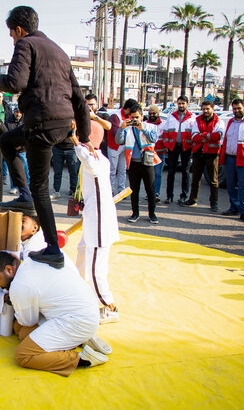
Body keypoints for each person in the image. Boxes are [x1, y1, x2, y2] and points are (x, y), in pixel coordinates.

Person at [0, 5, 92, 268]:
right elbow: (79, 98)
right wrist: (84, 134)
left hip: (42, 124)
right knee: (7, 141)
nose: (12, 39)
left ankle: (53, 249)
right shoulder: (58, 51)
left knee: (41, 189)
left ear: (19, 30)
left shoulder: (25, 44)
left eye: (11, 34)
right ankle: (24, 194)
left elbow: (15, 82)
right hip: (60, 123)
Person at [0, 252, 111, 376]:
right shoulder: (31, 261)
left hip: (77, 321)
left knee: (24, 355)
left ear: (9, 269)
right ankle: (81, 340)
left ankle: (82, 359)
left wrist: (17, 303)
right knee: (21, 331)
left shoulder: (18, 285)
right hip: (87, 311)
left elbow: (27, 322)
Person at [72, 127, 120, 324]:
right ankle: (80, 297)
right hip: (93, 218)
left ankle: (110, 307)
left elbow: (86, 159)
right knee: (83, 253)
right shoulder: (99, 158)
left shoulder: (96, 161)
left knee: (95, 268)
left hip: (100, 223)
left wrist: (74, 139)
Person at [116, 105, 161, 223]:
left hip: (147, 162)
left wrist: (142, 129)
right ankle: (135, 213)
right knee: (134, 190)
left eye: (137, 117)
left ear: (142, 116)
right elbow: (118, 141)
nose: (135, 120)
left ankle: (152, 214)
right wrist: (121, 128)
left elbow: (154, 139)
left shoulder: (150, 126)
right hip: (133, 163)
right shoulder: (127, 129)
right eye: (133, 117)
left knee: (150, 190)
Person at [181, 100, 226, 212]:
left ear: (212, 108)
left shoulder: (219, 121)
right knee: (195, 178)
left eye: (208, 109)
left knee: (213, 180)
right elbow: (194, 136)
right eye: (204, 109)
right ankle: (192, 200)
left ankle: (214, 203)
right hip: (198, 153)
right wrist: (208, 135)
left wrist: (203, 134)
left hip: (212, 153)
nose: (205, 111)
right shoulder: (197, 120)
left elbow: (218, 136)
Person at [161, 96, 196, 204]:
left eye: (183, 103)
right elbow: (165, 131)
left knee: (185, 172)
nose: (181, 105)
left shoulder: (192, 117)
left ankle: (184, 196)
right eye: (179, 103)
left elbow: (194, 132)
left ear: (187, 104)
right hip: (173, 147)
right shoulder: (171, 116)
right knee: (171, 172)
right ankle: (169, 196)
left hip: (186, 147)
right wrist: (167, 144)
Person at [108, 99, 138, 195]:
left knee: (122, 169)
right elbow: (114, 132)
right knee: (112, 170)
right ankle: (111, 190)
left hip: (125, 146)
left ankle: (121, 190)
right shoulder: (115, 116)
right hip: (114, 146)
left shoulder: (131, 116)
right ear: (127, 109)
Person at [5, 107, 29, 195]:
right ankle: (14, 186)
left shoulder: (26, 120)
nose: (18, 114)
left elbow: (28, 135)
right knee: (13, 169)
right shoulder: (8, 121)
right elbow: (6, 134)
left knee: (25, 170)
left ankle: (27, 187)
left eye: (19, 112)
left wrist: (22, 145)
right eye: (16, 112)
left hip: (23, 150)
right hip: (12, 149)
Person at [50, 129, 80, 200]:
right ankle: (56, 191)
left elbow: (80, 133)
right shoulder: (58, 120)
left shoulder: (74, 121)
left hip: (71, 149)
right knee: (57, 172)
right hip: (57, 148)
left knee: (74, 172)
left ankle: (73, 191)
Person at [84, 94, 112, 159]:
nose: (89, 107)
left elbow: (108, 126)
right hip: (85, 151)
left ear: (96, 104)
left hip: (101, 151)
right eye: (87, 105)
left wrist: (94, 117)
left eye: (92, 104)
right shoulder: (81, 117)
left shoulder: (103, 115)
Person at [146, 105, 165, 203]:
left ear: (158, 113)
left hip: (160, 152)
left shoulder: (163, 124)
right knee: (148, 174)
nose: (152, 115)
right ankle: (149, 192)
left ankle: (156, 193)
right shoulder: (145, 124)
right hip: (148, 152)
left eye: (154, 113)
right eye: (150, 113)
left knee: (157, 174)